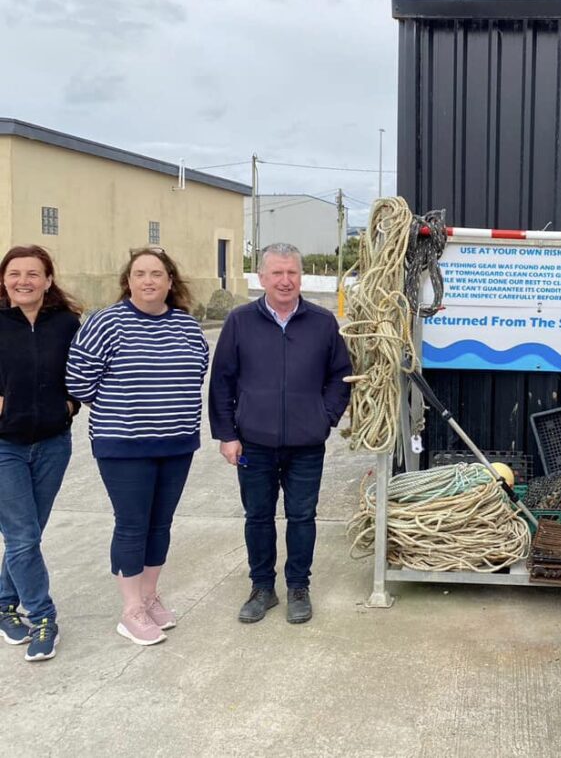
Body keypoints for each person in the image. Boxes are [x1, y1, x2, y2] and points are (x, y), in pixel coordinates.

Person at [66, 247, 208, 646]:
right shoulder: (105, 323)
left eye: (157, 274)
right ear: (128, 281)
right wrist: (128, 407)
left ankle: (149, 596)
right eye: (140, 273)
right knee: (132, 525)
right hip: (124, 446)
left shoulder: (186, 326)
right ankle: (130, 610)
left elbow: (198, 369)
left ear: (169, 281)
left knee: (160, 524)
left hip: (177, 443)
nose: (148, 280)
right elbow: (79, 383)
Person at [209, 243, 351, 625]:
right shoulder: (240, 322)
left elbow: (341, 375)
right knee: (258, 516)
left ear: (300, 277)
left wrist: (326, 417)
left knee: (302, 516)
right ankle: (262, 588)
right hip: (253, 441)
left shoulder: (322, 323)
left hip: (307, 443)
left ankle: (298, 587)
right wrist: (227, 434)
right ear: (262, 278)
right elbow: (221, 381)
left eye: (291, 273)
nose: (285, 281)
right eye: (277, 273)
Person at [0, 246, 82, 661]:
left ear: (49, 280)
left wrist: (68, 405)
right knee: (23, 536)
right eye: (15, 273)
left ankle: (3, 603)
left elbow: (82, 373)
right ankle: (43, 615)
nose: (23, 281)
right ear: (4, 279)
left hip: (53, 443)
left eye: (34, 273)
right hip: (4, 447)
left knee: (26, 535)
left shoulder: (66, 324)